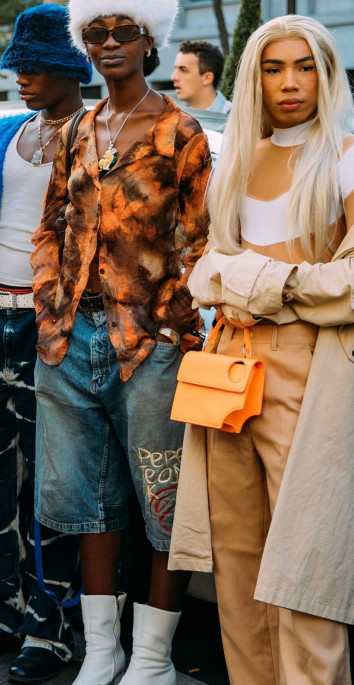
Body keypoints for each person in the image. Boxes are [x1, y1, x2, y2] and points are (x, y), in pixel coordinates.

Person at [169, 15, 354, 685]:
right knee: (238, 561)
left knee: (304, 568)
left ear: (327, 72)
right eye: (274, 68)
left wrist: (257, 281)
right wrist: (239, 278)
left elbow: (350, 285)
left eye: (304, 65)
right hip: (227, 365)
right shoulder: (239, 159)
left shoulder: (346, 155)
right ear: (254, 77)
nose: (290, 82)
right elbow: (201, 272)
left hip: (310, 367)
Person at [31, 0, 211, 682]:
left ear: (148, 41)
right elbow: (51, 223)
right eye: (95, 33)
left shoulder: (178, 129)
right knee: (88, 499)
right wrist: (52, 298)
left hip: (153, 344)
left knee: (164, 502)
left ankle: (153, 658)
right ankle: (103, 650)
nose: (108, 44)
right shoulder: (79, 126)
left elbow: (200, 241)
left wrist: (177, 324)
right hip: (70, 338)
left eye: (123, 32)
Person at [0, 5, 91, 683]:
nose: (22, 78)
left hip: (49, 326)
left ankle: (50, 627)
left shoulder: (98, 135)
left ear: (70, 68)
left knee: (50, 486)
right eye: (18, 66)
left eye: (35, 66)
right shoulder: (4, 132)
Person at [171, 40, 231, 113]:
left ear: (207, 78)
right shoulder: (175, 119)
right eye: (176, 69)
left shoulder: (238, 117)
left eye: (183, 70)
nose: (173, 77)